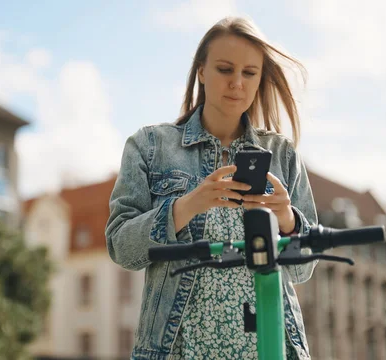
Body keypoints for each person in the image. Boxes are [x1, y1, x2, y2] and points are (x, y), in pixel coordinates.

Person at [106, 16, 318, 360]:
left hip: (272, 348)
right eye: (224, 69)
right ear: (201, 71)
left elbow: (302, 269)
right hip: (178, 351)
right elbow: (121, 248)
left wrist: (287, 219)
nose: (237, 82)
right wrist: (186, 206)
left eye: (249, 73)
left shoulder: (282, 154)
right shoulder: (149, 146)